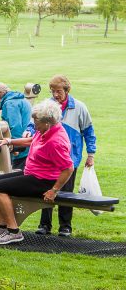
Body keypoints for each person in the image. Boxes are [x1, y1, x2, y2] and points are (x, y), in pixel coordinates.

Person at [0, 99, 74, 245]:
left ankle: (13, 231)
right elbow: (31, 141)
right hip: (32, 174)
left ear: (47, 123)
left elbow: (68, 168)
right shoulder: (45, 130)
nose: (33, 123)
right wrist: (9, 141)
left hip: (44, 181)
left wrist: (54, 190)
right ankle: (2, 227)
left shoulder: (56, 141)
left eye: (36, 120)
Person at [36, 75, 96, 237]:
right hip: (48, 157)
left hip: (70, 158)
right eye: (53, 91)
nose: (55, 95)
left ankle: (65, 226)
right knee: (47, 191)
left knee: (66, 193)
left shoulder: (79, 107)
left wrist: (90, 154)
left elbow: (89, 132)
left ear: (67, 90)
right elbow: (34, 121)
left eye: (59, 91)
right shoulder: (46, 106)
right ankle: (44, 224)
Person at [0, 82, 32, 170]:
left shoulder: (10, 104)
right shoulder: (20, 99)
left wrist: (15, 148)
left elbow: (15, 127)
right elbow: (6, 127)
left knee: (12, 177)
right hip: (27, 146)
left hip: (21, 151)